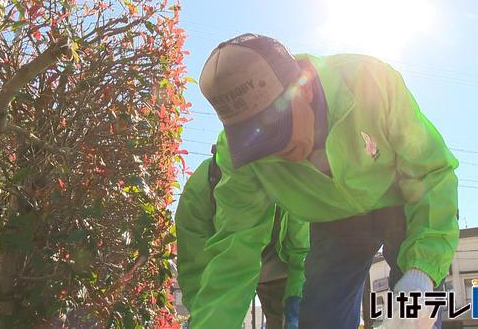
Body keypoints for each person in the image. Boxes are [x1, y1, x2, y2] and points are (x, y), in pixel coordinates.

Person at [188, 33, 459, 329]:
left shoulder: (370, 81)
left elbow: (432, 174)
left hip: (404, 205)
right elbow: (234, 250)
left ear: (302, 88)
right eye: (257, 139)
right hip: (333, 224)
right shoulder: (239, 158)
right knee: (318, 321)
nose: (275, 149)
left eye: (276, 126)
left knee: (415, 314)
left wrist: (423, 272)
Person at [175, 154, 309, 329]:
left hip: (281, 271)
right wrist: (207, 316)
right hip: (228, 269)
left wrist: (296, 299)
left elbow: (302, 250)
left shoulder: (287, 179)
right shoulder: (200, 188)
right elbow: (195, 267)